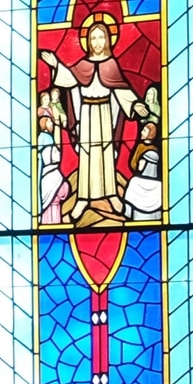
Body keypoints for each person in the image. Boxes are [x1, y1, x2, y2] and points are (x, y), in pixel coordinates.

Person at [37, 12, 156, 228]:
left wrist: (134, 104)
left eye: (101, 37)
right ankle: (83, 199)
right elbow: (70, 80)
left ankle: (110, 194)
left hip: (104, 114)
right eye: (93, 38)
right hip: (87, 114)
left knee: (106, 154)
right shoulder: (83, 64)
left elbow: (121, 90)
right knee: (87, 155)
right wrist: (55, 63)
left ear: (108, 40)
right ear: (88, 42)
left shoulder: (111, 65)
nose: (97, 42)